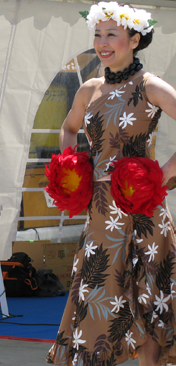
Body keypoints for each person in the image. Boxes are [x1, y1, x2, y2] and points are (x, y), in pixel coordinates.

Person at [47, 2, 176, 365]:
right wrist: (72, 166)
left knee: (148, 295)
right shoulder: (88, 89)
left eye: (112, 35)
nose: (102, 43)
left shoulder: (148, 85)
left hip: (144, 211)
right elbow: (68, 129)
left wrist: (162, 173)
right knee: (102, 295)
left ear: (134, 40)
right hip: (102, 213)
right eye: (97, 35)